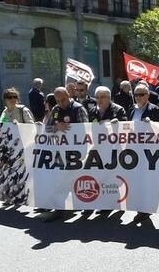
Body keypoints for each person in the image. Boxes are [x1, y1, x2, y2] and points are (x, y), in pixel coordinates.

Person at [43, 87, 89, 222]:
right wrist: (57, 127)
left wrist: (70, 129)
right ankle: (60, 209)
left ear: (68, 95)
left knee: (78, 179)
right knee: (60, 180)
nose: (61, 103)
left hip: (77, 152)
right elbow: (47, 129)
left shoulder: (78, 108)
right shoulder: (56, 110)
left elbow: (86, 128)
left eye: (63, 99)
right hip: (61, 152)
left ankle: (81, 206)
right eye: (58, 100)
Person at [128, 83, 159, 222]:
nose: (138, 97)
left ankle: (148, 208)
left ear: (148, 95)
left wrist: (152, 123)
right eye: (136, 95)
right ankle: (140, 209)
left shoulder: (155, 110)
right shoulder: (132, 109)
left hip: (151, 152)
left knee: (149, 181)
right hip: (135, 151)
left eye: (141, 94)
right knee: (137, 180)